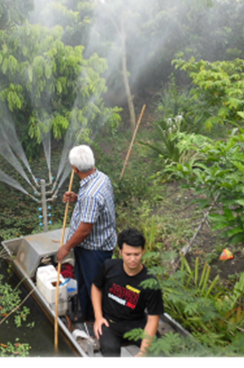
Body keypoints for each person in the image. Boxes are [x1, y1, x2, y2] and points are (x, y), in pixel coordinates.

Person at [56, 144, 116, 323]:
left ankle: (97, 321)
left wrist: (66, 247)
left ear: (75, 169)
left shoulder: (90, 194)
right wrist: (77, 198)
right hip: (92, 245)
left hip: (94, 248)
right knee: (83, 280)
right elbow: (95, 205)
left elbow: (85, 229)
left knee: (95, 286)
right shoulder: (101, 178)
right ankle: (85, 314)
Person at [91, 228, 164, 357]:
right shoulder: (109, 267)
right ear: (120, 252)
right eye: (128, 254)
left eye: (137, 254)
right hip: (110, 322)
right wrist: (98, 317)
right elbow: (96, 287)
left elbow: (153, 319)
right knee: (110, 350)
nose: (132, 259)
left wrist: (143, 352)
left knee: (159, 350)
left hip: (137, 323)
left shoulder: (150, 282)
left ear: (143, 252)